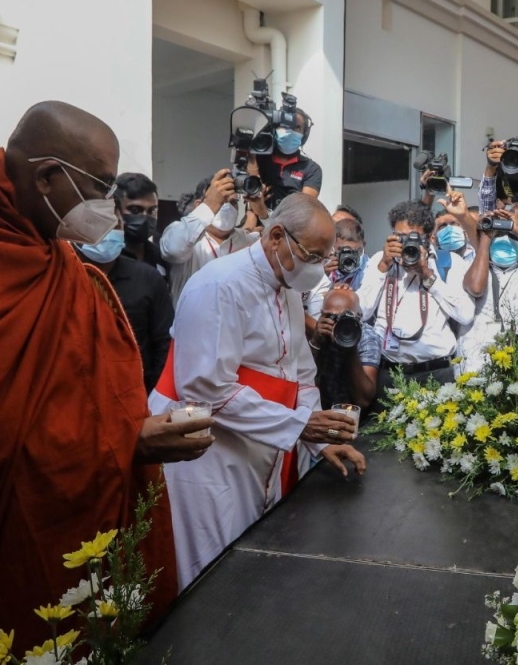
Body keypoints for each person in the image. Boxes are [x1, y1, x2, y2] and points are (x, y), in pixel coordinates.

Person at [0, 101, 214, 664]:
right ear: (47, 177)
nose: (109, 206)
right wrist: (125, 442)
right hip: (1, 535)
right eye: (100, 186)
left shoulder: (52, 254)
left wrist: (131, 428)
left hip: (74, 522)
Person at [151, 193, 364, 589]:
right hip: (210, 457)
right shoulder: (219, 284)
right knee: (211, 576)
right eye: (313, 257)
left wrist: (321, 442)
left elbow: (301, 374)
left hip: (262, 447)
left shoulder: (285, 286)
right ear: (277, 236)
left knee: (255, 572)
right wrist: (299, 426)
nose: (319, 269)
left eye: (324, 258)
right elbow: (205, 389)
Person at [358, 200, 475, 390]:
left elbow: (466, 314)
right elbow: (361, 312)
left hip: (436, 373)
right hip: (390, 373)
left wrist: (427, 275)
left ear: (428, 238)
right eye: (399, 237)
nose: (406, 244)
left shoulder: (449, 262)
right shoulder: (379, 261)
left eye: (412, 237)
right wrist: (382, 267)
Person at [457, 194, 518, 373]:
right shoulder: (473, 268)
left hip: (511, 363)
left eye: (511, 237)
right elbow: (476, 289)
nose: (505, 241)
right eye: (499, 235)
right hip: (473, 363)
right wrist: (486, 237)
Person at [75, 225, 174, 392]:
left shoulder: (147, 278)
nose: (106, 231)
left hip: (135, 393)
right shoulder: (60, 275)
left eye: (114, 222)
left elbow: (164, 342)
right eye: (96, 223)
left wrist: (153, 397)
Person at [160, 170, 259, 303]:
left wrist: (263, 212)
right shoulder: (187, 235)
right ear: (199, 205)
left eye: (233, 202)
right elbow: (173, 250)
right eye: (222, 201)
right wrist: (210, 204)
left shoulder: (246, 240)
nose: (228, 207)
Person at [312, 287, 381, 411]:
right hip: (322, 410)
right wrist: (315, 342)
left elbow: (364, 400)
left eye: (344, 317)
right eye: (330, 316)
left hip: (355, 415)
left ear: (359, 316)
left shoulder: (366, 337)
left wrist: (350, 344)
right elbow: (303, 379)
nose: (336, 324)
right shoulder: (321, 333)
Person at [259, 109, 322, 210]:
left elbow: (303, 209)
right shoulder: (260, 160)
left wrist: (261, 209)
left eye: (297, 127)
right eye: (285, 125)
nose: (289, 132)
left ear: (304, 135)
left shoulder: (312, 169)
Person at [115, 172, 167, 277]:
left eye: (151, 211)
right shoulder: (107, 256)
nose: (145, 218)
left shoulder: (161, 256)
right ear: (117, 211)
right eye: (135, 210)